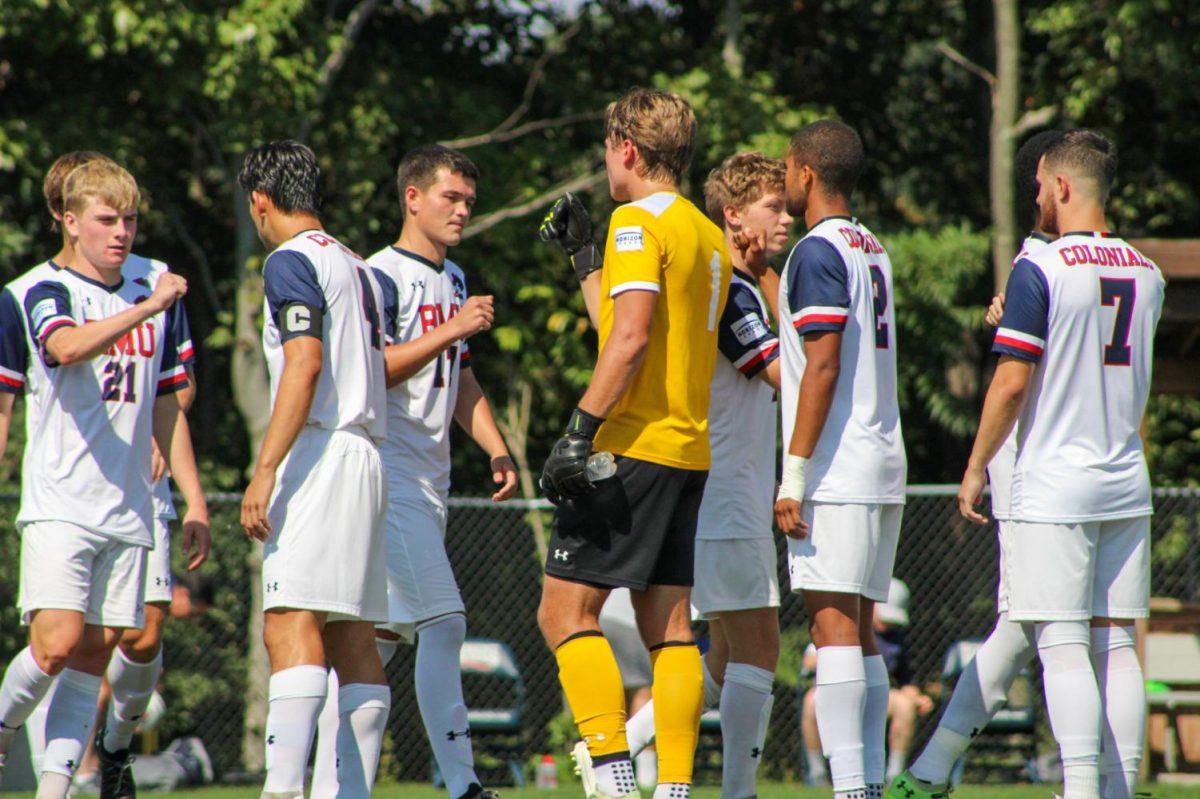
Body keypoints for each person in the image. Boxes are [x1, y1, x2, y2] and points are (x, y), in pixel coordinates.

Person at [954, 129, 1163, 799]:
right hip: (1126, 479)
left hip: (1057, 482)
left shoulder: (1039, 268)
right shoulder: (1147, 271)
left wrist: (977, 464)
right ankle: (1120, 786)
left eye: (1040, 184)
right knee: (1117, 643)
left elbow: (1012, 382)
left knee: (1061, 641)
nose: (1036, 196)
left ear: (1064, 186)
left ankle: (1079, 789)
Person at [536, 87, 731, 799]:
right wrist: (586, 258)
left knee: (564, 612)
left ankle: (616, 779)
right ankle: (673, 788)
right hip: (687, 450)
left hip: (630, 443)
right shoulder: (706, 234)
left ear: (626, 150)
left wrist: (578, 431)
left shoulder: (634, 220)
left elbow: (629, 337)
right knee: (670, 627)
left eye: (606, 152)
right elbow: (624, 321)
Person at [580, 152, 791, 799]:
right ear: (733, 215)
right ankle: (734, 791)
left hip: (727, 488)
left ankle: (617, 749)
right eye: (772, 208)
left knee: (723, 660)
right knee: (757, 644)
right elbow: (790, 373)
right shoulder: (727, 284)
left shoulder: (735, 278)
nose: (786, 218)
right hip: (725, 491)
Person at [310, 144, 516, 799]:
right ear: (412, 197)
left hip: (430, 484)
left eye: (468, 201)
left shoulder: (452, 278)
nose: (462, 210)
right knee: (446, 620)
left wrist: (496, 446)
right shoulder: (379, 276)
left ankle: (334, 785)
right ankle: (463, 783)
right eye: (450, 198)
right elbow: (368, 369)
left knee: (382, 644)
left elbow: (459, 377)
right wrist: (451, 328)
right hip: (384, 473)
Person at [0, 159, 208, 799]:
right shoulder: (37, 290)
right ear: (68, 219)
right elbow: (63, 349)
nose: (122, 232)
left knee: (96, 654)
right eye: (106, 220)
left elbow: (171, 398)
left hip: (130, 506)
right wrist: (148, 307)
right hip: (62, 502)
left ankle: (55, 790)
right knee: (57, 642)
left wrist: (193, 498)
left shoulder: (154, 282)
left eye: (131, 219)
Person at [889, 129, 1063, 799]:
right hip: (1040, 475)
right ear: (1047, 184)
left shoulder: (1063, 259)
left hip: (1065, 478)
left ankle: (936, 770)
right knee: (1034, 626)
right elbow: (1015, 375)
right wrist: (979, 463)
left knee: (1033, 629)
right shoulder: (1042, 260)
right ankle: (1093, 775)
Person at [237, 140, 391, 799]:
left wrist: (264, 467)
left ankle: (281, 789)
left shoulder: (289, 260)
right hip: (367, 452)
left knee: (289, 619)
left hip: (321, 450)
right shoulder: (361, 268)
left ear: (261, 203)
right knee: (354, 634)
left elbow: (304, 363)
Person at [774, 120, 907, 799]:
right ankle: (872, 785)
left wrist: (793, 472)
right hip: (881, 461)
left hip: (839, 468)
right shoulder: (871, 247)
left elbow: (822, 364)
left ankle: (852, 789)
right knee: (858, 634)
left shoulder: (817, 250)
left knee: (831, 633)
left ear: (804, 170)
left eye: (785, 167)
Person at [804, 579, 933, 785]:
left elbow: (907, 681)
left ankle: (893, 776)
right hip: (839, 691)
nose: (888, 623)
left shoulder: (896, 638)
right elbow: (809, 661)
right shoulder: (841, 620)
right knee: (812, 700)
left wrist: (918, 698)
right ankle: (817, 774)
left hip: (878, 694)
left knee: (905, 705)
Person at [598, 590, 657, 790]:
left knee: (617, 694)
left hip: (602, 617)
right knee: (643, 690)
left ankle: (610, 765)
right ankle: (646, 771)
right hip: (628, 620)